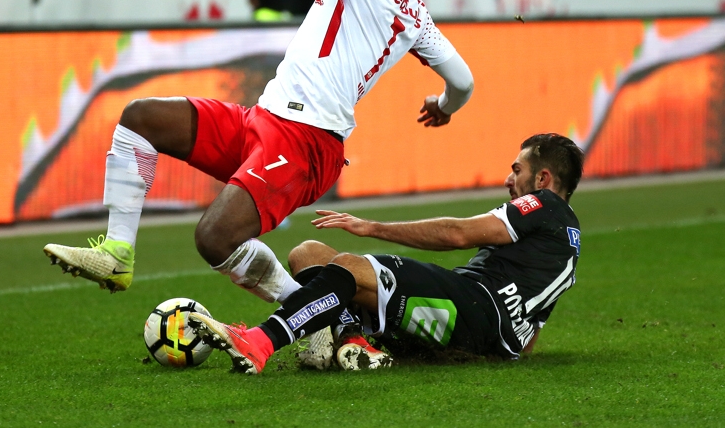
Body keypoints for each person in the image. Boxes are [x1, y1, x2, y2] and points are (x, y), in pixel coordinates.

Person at [43, 0, 475, 327]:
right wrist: (444, 105)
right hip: (264, 121)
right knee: (141, 118)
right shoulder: (417, 11)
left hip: (306, 138)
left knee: (214, 238)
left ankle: (320, 320)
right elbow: (463, 79)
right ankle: (117, 254)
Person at [189, 133, 584, 374]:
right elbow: (532, 328)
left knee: (348, 266)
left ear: (544, 179)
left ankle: (261, 342)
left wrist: (372, 227)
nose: (508, 180)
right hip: (482, 331)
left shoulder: (544, 203)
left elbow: (458, 233)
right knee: (309, 253)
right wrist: (506, 352)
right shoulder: (565, 240)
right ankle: (353, 341)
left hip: (477, 308)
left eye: (517, 170)